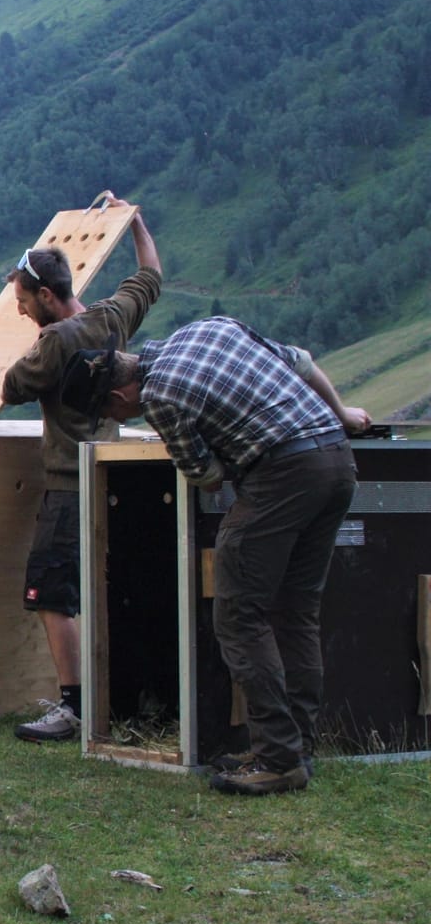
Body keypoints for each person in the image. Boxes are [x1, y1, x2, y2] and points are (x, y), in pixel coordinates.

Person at [58, 320, 371, 795]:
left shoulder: (161, 400)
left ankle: (278, 759)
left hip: (282, 475)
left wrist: (223, 448)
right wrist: (343, 414)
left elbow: (206, 475)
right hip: (335, 456)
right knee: (296, 613)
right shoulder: (208, 329)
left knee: (239, 616)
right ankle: (297, 748)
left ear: (118, 399)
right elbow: (302, 361)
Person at [0, 195, 161, 742]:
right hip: (113, 475)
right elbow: (151, 274)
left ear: (46, 296)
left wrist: (45, 338)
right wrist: (135, 220)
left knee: (52, 595)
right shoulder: (113, 318)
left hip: (68, 487)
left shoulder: (50, 345)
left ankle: (73, 707)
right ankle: (120, 699)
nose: (20, 310)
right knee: (107, 593)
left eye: (23, 301)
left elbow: (10, 386)